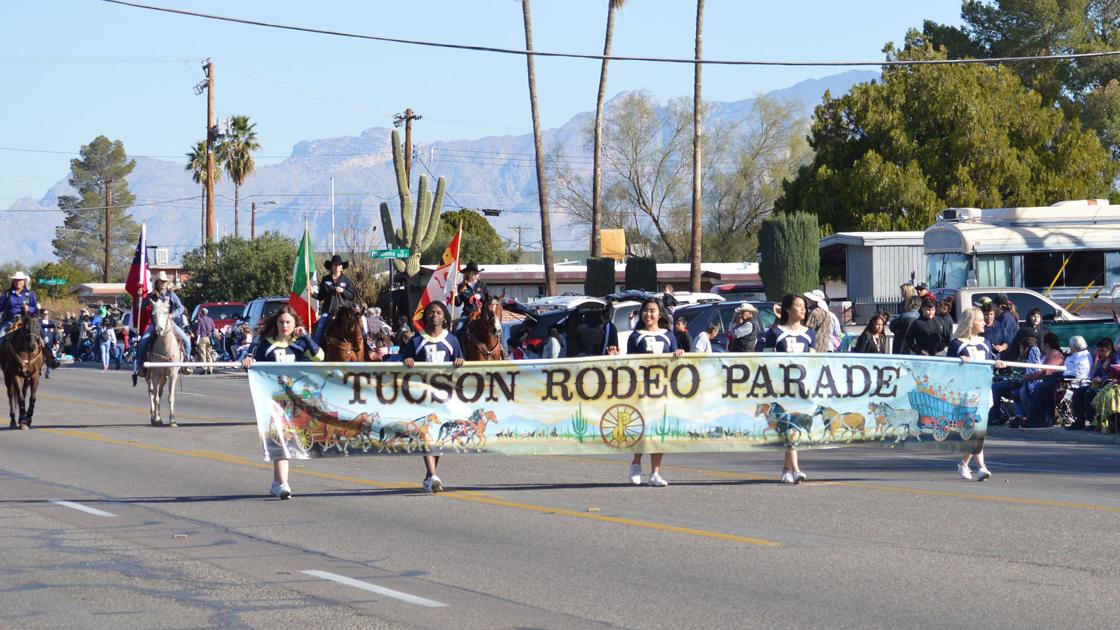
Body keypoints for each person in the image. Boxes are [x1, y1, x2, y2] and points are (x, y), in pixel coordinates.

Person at [241, 305, 324, 499]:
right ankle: (281, 483)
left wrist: (305, 337)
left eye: (288, 322)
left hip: (296, 400)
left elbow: (320, 357)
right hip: (273, 400)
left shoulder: (300, 344)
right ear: (276, 323)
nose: (284, 325)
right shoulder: (266, 344)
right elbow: (256, 367)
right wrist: (248, 364)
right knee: (280, 438)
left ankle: (277, 482)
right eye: (281, 322)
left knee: (289, 439)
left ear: (295, 324)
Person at [400, 300, 465, 493]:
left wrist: (460, 361)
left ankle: (430, 476)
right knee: (426, 435)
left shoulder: (452, 340)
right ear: (425, 316)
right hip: (422, 397)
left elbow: (460, 362)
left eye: (438, 312)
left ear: (444, 316)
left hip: (445, 398)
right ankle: (433, 475)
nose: (434, 315)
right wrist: (408, 359)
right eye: (430, 312)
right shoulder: (416, 340)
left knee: (440, 438)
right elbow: (403, 360)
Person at [626, 298, 683, 487]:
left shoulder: (669, 335)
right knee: (642, 429)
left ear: (659, 314)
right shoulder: (635, 336)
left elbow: (676, 360)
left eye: (652, 311)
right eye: (645, 311)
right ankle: (636, 463)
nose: (648, 315)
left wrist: (679, 354)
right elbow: (629, 364)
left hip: (663, 391)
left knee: (660, 431)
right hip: (642, 391)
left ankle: (655, 473)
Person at [948, 306, 1007, 481]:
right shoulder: (957, 344)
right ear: (971, 322)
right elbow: (947, 370)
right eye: (980, 320)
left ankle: (965, 465)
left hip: (983, 391)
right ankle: (980, 467)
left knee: (976, 430)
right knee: (975, 429)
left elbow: (990, 363)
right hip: (966, 392)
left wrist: (998, 364)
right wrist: (958, 362)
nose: (984, 323)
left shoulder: (985, 343)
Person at [763, 293, 816, 484]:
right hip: (781, 388)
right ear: (787, 309)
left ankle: (786, 470)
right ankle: (796, 468)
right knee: (790, 428)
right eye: (799, 306)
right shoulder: (775, 333)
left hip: (802, 389)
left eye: (805, 306)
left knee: (791, 428)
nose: (804, 309)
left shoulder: (809, 334)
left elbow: (813, 362)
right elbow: (766, 361)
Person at [133, 272, 191, 386]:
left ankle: (186, 364)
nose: (163, 284)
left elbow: (180, 307)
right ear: (157, 283)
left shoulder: (171, 294)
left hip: (170, 322)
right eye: (161, 282)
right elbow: (140, 307)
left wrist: (172, 315)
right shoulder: (152, 295)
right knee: (143, 342)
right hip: (155, 323)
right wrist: (139, 297)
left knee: (187, 341)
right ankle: (141, 367)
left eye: (165, 282)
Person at [0, 271, 60, 368]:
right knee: (0, 337)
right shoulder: (7, 294)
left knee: (44, 336)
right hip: (11, 320)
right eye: (16, 280)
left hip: (27, 319)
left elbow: (35, 308)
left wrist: (29, 309)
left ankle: (51, 358)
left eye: (20, 280)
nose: (18, 282)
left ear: (24, 282)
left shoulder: (29, 294)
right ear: (13, 281)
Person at [1023, 332, 1066, 428]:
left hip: (1055, 381)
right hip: (1048, 380)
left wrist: (1030, 377)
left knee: (1040, 388)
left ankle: (1042, 419)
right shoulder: (1049, 354)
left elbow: (1046, 371)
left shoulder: (1056, 354)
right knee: (1031, 388)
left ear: (1047, 344)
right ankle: (1033, 418)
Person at [312, 255, 356, 345]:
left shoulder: (346, 280)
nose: (337, 267)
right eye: (335, 265)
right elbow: (320, 297)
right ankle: (315, 351)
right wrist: (311, 292)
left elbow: (352, 296)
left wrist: (343, 290)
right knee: (319, 329)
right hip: (327, 312)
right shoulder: (325, 279)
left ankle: (366, 349)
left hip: (344, 313)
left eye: (339, 265)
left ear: (342, 267)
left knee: (358, 328)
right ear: (331, 266)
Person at [993, 294, 1020, 359]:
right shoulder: (1001, 316)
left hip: (1007, 354)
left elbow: (1008, 338)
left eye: (994, 305)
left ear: (999, 306)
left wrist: (1002, 347)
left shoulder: (1006, 318)